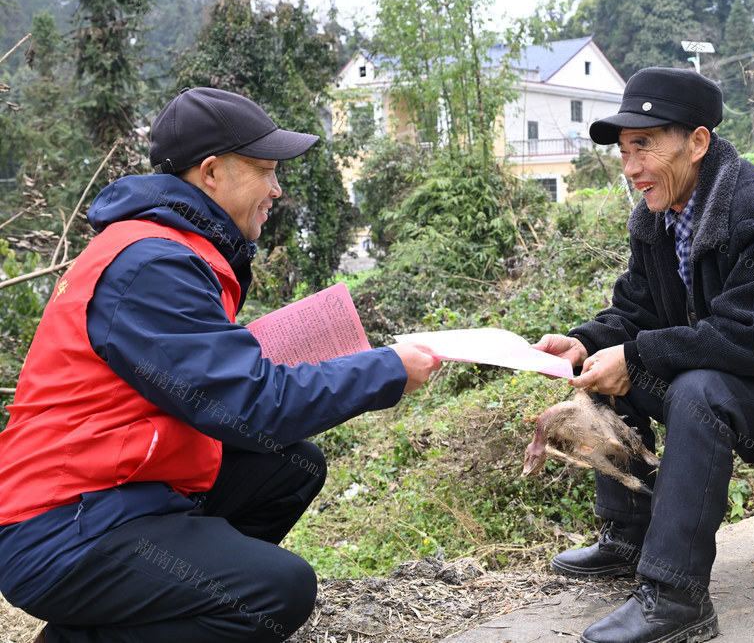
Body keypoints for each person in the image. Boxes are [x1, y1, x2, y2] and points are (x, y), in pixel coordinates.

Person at [0, 87, 441, 643]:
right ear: (211, 173)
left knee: (290, 466)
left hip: (123, 487)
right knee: (276, 591)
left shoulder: (169, 246)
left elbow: (213, 388)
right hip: (62, 525)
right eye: (266, 172)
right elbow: (250, 406)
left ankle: (156, 604)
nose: (276, 190)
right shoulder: (151, 264)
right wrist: (387, 370)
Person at [533, 68, 754, 643]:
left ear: (697, 142)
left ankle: (677, 597)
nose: (630, 167)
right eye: (624, 150)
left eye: (644, 146)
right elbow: (638, 312)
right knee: (605, 370)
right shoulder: (657, 217)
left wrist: (637, 354)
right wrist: (587, 344)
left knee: (696, 392)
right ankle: (629, 536)